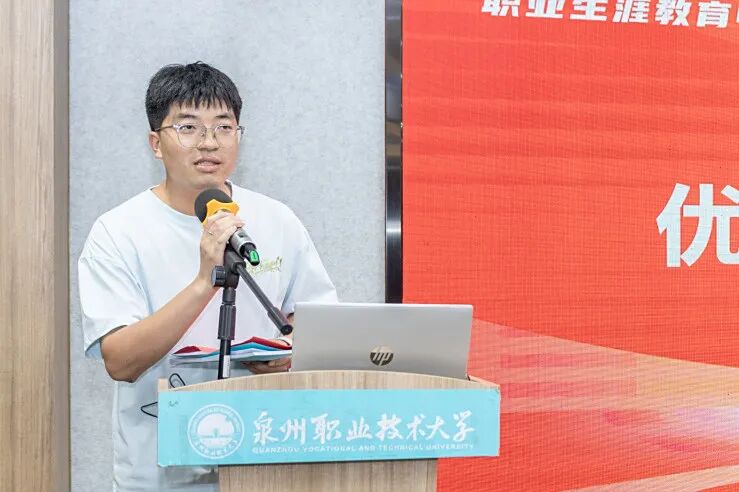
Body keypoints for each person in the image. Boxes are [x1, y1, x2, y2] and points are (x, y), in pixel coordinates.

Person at [78, 62, 337, 492]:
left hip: (267, 460)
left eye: (224, 127)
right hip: (160, 473)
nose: (209, 142)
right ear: (156, 144)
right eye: (188, 127)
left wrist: (287, 355)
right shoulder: (118, 230)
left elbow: (320, 324)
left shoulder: (276, 219)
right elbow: (120, 360)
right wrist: (204, 282)